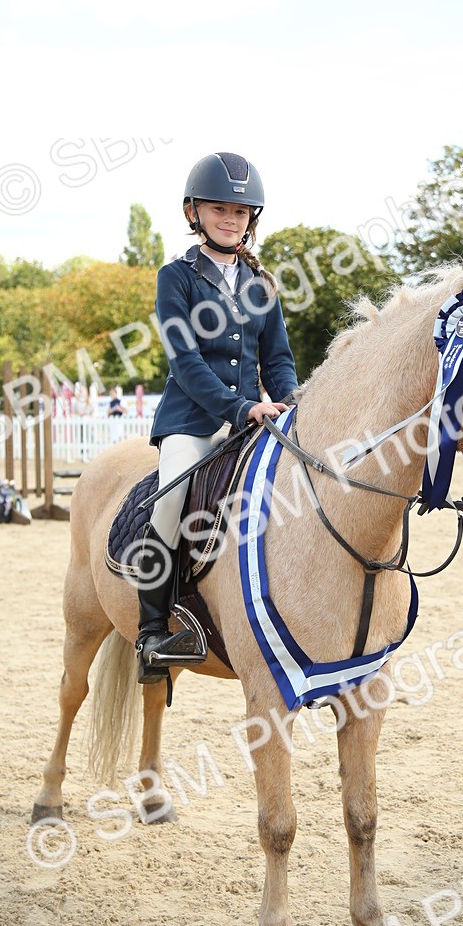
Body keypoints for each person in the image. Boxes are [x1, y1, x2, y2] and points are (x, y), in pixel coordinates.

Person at [136, 151, 298, 684]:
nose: (231, 219)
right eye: (218, 209)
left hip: (253, 418)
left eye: (240, 211)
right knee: (170, 505)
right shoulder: (175, 278)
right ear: (194, 213)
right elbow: (184, 363)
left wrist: (291, 401)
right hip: (192, 420)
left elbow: (277, 358)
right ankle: (154, 632)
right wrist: (240, 407)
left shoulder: (262, 285)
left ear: (252, 218)